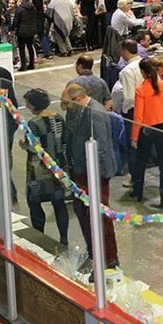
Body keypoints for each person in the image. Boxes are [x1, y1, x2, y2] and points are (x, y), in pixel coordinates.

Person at [61, 82, 118, 269]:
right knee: (82, 211)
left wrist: (96, 177)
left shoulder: (95, 114)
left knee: (100, 215)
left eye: (67, 103)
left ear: (78, 98)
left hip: (95, 173)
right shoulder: (77, 110)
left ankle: (110, 257)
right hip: (80, 171)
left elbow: (101, 147)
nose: (65, 107)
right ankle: (94, 252)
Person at [23, 88, 70, 248]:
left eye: (28, 104)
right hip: (57, 167)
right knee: (59, 203)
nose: (26, 107)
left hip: (39, 170)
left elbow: (33, 147)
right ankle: (64, 238)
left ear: (34, 105)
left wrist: (24, 144)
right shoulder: (59, 118)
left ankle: (40, 237)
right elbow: (64, 141)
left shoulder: (33, 123)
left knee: (34, 203)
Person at [125, 58, 163, 209]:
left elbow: (138, 116)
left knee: (141, 161)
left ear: (142, 72)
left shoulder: (141, 90)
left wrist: (134, 137)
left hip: (147, 127)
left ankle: (138, 192)